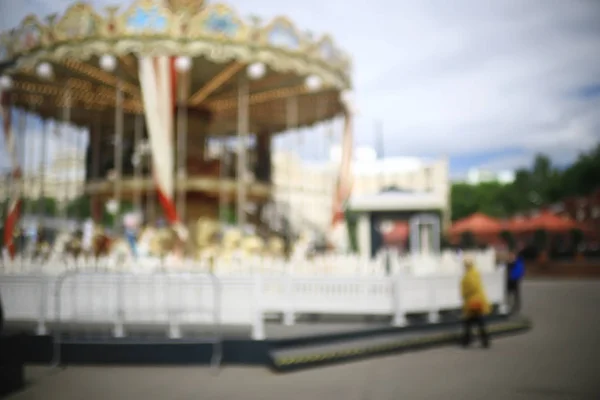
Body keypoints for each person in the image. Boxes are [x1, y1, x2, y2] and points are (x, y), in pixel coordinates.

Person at [460, 257, 491, 348]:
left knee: (469, 322)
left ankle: (467, 341)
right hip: (477, 301)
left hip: (473, 302)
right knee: (477, 322)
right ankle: (483, 341)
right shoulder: (475, 273)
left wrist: (465, 292)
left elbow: (472, 287)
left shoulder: (470, 274)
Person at [506, 250, 525, 315]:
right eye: (510, 256)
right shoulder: (508, 263)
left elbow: (520, 271)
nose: (511, 257)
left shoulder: (517, 263)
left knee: (515, 294)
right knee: (509, 294)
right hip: (509, 281)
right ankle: (509, 306)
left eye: (512, 256)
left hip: (514, 281)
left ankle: (516, 306)